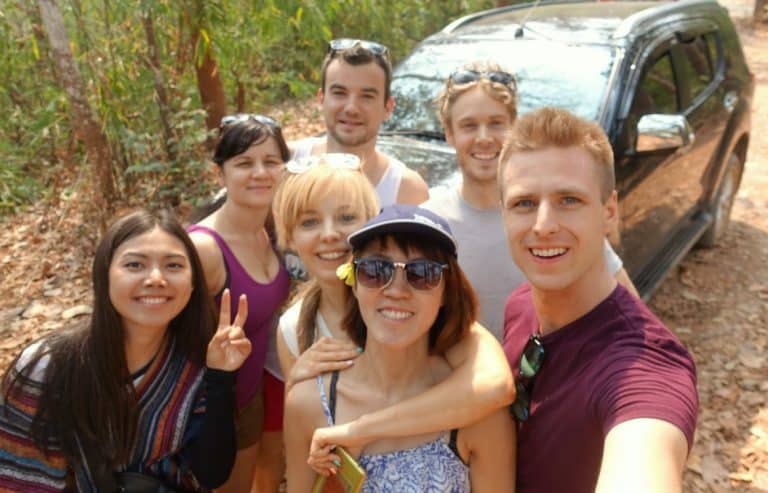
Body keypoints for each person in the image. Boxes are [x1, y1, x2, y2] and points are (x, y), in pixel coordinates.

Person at [499, 108, 698, 492]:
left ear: (609, 211)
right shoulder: (520, 305)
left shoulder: (644, 367)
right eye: (524, 203)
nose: (543, 225)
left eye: (569, 200)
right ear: (502, 214)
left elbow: (643, 450)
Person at [0, 209, 250, 492]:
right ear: (104, 275)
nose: (156, 278)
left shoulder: (194, 360)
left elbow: (211, 474)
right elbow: (21, 481)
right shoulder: (47, 368)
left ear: (193, 283)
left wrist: (221, 378)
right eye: (134, 265)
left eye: (174, 266)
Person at [284, 204, 516, 491]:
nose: (396, 290)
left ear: (446, 291)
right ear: (354, 283)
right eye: (375, 270)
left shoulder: (479, 411)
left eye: (422, 273)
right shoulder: (307, 404)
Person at [422, 62, 638, 340]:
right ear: (449, 134)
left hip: (553, 374)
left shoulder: (558, 221)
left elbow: (630, 312)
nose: (484, 138)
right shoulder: (430, 223)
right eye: (469, 126)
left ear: (514, 127)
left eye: (496, 123)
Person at [188, 114, 291, 493]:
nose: (260, 173)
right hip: (211, 408)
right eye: (244, 163)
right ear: (221, 175)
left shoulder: (272, 231)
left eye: (271, 162)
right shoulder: (204, 249)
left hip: (250, 400)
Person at [290, 38, 429, 206]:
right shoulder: (286, 163)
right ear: (321, 98)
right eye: (339, 93)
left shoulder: (407, 192)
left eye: (367, 96)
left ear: (388, 107)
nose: (351, 108)